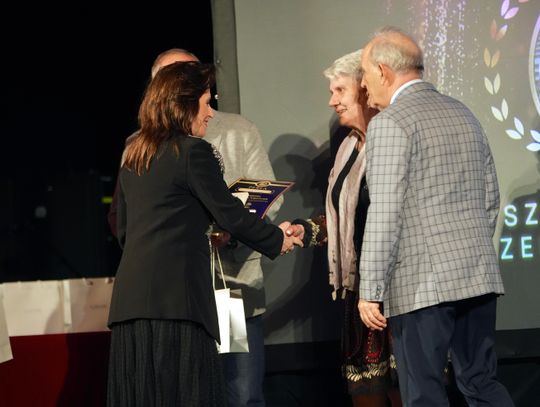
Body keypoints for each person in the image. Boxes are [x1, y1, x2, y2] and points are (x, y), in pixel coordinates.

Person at [106, 61, 302, 406]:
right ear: (184, 103)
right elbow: (230, 214)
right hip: (179, 304)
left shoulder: (135, 155)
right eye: (207, 102)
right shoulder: (193, 150)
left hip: (131, 306)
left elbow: (124, 231)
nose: (211, 113)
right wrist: (277, 239)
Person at [357, 27, 514, 406]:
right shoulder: (464, 113)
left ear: (383, 71)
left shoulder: (390, 123)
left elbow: (385, 212)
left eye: (364, 73)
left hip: (422, 286)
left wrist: (370, 290)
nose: (363, 84)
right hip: (477, 277)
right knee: (481, 384)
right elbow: (490, 198)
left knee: (423, 395)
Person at [291, 50, 401, 407]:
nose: (332, 101)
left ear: (364, 90)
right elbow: (347, 217)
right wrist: (305, 231)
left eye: (340, 91)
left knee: (406, 391)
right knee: (366, 395)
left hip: (396, 292)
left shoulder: (393, 142)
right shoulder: (348, 147)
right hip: (359, 291)